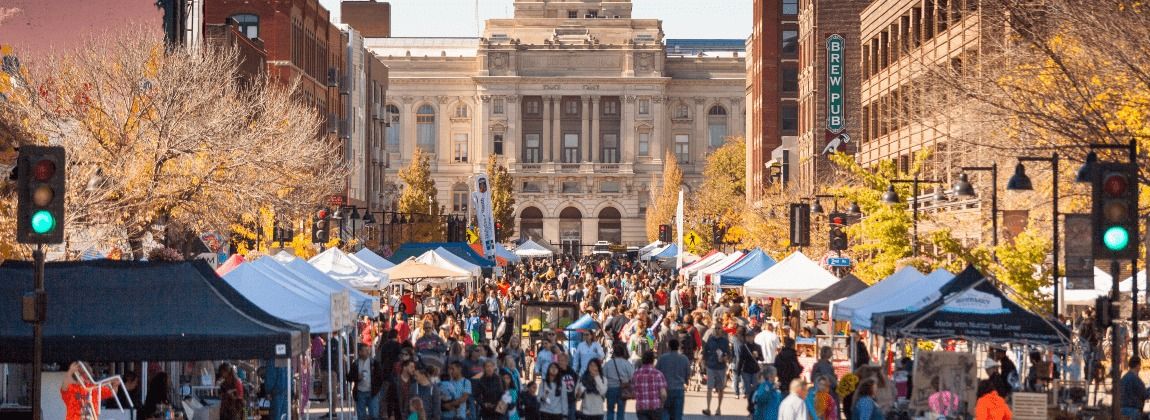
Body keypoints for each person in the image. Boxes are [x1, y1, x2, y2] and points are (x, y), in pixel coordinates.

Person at [656, 339, 691, 420]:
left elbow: (657, 372)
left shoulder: (662, 358)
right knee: (677, 415)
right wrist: (685, 381)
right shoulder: (684, 359)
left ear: (669, 347)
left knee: (665, 412)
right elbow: (688, 374)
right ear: (678, 347)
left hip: (665, 389)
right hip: (679, 388)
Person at [348, 343, 385, 420]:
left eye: (368, 350)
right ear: (360, 352)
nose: (368, 352)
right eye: (365, 350)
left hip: (372, 392)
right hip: (360, 392)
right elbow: (349, 377)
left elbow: (380, 377)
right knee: (361, 416)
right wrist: (357, 377)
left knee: (374, 415)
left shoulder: (374, 363)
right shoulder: (356, 364)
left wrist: (376, 389)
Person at [702, 325, 732, 416]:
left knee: (720, 388)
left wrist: (725, 357)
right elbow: (705, 351)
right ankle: (708, 408)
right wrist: (704, 362)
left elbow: (729, 354)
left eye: (719, 328)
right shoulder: (710, 339)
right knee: (709, 388)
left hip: (721, 367)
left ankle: (718, 408)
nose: (717, 330)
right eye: (716, 328)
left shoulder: (725, 341)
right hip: (710, 366)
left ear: (722, 330)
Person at [632, 351, 668, 420]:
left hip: (641, 407)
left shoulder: (636, 374)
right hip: (655, 406)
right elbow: (663, 394)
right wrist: (662, 404)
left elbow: (633, 392)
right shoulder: (658, 374)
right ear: (653, 360)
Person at [602, 343, 635, 420]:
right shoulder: (626, 364)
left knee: (610, 410)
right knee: (621, 411)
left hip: (610, 389)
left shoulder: (608, 364)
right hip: (622, 389)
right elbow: (632, 377)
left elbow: (603, 376)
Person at [737, 328, 764, 413]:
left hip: (755, 370)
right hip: (746, 370)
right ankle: (750, 408)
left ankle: (754, 407)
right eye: (747, 336)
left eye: (750, 336)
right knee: (748, 390)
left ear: (753, 337)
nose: (749, 338)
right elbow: (741, 359)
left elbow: (762, 358)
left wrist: (757, 356)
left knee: (755, 390)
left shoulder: (758, 346)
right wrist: (738, 371)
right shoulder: (743, 347)